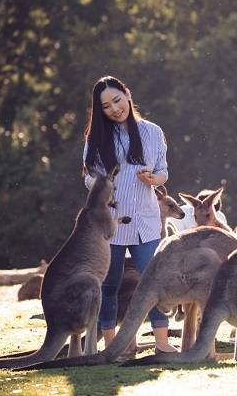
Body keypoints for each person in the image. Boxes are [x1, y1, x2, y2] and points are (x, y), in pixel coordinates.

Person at [82, 75, 176, 354]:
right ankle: (112, 346)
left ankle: (161, 343)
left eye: (117, 100)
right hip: (110, 225)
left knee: (154, 281)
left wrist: (154, 179)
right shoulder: (97, 138)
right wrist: (104, 186)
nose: (114, 108)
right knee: (109, 285)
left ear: (127, 95)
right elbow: (89, 178)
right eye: (106, 106)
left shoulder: (152, 132)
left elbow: (163, 171)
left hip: (146, 223)